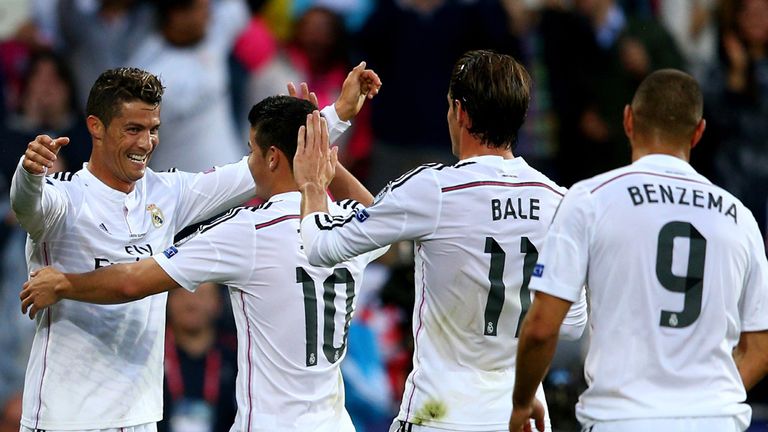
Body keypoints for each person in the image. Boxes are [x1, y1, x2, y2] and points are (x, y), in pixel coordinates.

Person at [10, 64, 380, 431]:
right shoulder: (65, 196)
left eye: (153, 130)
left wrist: (64, 284)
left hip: (138, 416)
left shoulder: (172, 196)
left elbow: (266, 163)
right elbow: (28, 206)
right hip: (66, 414)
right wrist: (28, 174)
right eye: (133, 130)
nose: (146, 143)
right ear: (96, 126)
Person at [293, 49, 588, 432]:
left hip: (440, 416)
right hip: (520, 417)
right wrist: (334, 172)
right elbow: (571, 324)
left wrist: (313, 183)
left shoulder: (434, 190)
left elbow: (321, 247)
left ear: (460, 112)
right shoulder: (561, 202)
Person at [509, 69, 768, 432]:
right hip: (716, 421)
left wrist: (521, 401)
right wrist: (707, 405)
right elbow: (762, 346)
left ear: (628, 119)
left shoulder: (591, 199)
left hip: (623, 419)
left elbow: (541, 327)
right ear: (698, 132)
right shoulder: (739, 218)